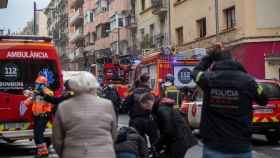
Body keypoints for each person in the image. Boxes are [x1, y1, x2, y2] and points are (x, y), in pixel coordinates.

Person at [191, 44, 268, 158]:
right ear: (233, 60)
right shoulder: (247, 80)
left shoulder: (208, 78)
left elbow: (195, 72)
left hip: (214, 146)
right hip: (241, 147)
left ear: (215, 62)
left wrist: (210, 56)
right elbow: (263, 100)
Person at [52, 71, 117, 158]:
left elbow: (57, 139)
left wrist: (64, 152)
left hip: (74, 153)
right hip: (104, 153)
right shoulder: (107, 104)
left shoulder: (63, 107)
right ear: (94, 85)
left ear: (72, 86)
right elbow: (113, 133)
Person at [23, 75, 54, 157]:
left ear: (43, 84)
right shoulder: (36, 92)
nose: (36, 85)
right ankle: (41, 152)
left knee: (39, 134)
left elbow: (49, 102)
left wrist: (39, 94)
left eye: (38, 84)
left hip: (43, 116)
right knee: (36, 134)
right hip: (36, 117)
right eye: (36, 83)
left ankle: (43, 153)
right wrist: (30, 94)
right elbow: (27, 102)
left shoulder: (48, 92)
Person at [126, 73, 159, 147]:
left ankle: (143, 154)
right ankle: (155, 153)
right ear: (148, 81)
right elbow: (157, 105)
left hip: (135, 120)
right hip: (149, 119)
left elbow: (126, 105)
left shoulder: (132, 92)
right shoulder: (152, 92)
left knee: (139, 141)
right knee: (155, 140)